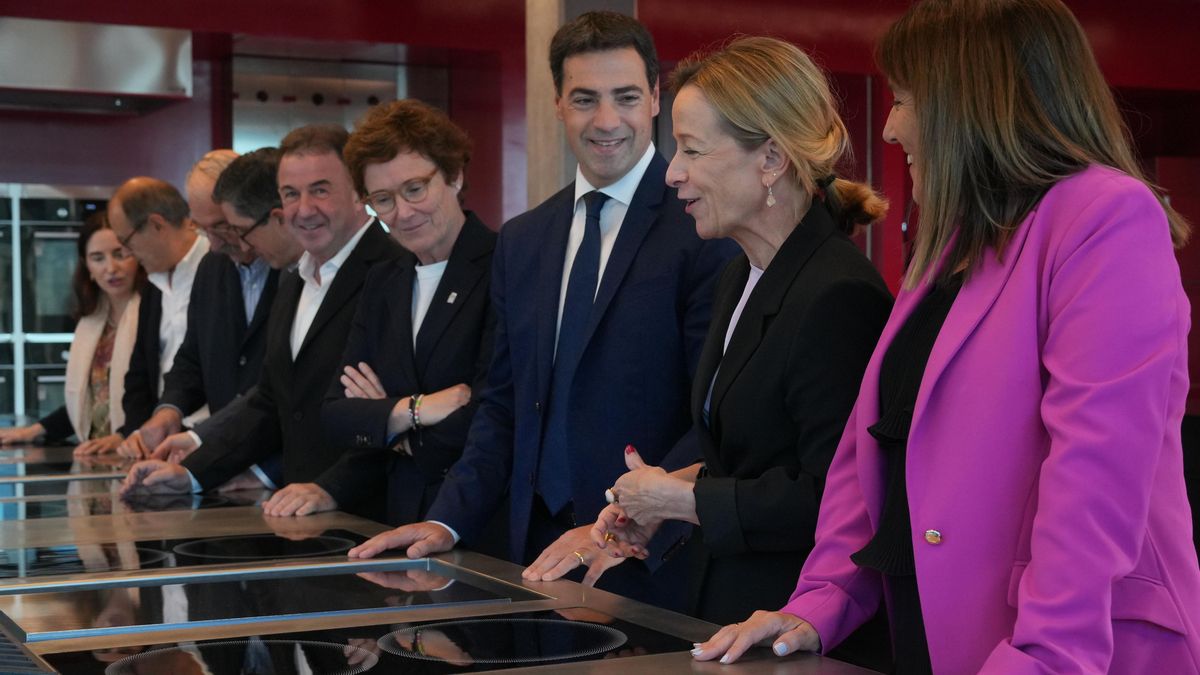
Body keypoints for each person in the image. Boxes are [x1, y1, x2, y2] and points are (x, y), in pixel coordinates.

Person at [693, 0, 1200, 672]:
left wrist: (1043, 654)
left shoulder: (1105, 215)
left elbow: (1095, 472)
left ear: (972, 103)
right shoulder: (956, 238)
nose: (891, 126)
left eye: (903, 99)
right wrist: (820, 599)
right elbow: (869, 448)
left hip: (1064, 646)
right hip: (931, 630)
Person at [348, 11, 736, 610]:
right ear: (557, 103)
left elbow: (711, 414)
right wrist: (447, 521)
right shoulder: (525, 239)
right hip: (526, 555)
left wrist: (622, 519)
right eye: (585, 99)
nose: (606, 121)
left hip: (647, 561)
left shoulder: (704, 228)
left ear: (656, 99)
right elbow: (504, 404)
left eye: (626, 97)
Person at [536, 36, 893, 635]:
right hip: (723, 606)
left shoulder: (837, 294)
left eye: (694, 151)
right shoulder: (738, 274)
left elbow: (835, 500)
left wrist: (680, 502)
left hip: (792, 620)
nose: (673, 172)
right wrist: (653, 500)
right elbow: (747, 455)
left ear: (771, 160)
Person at [119, 124, 403, 497]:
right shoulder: (294, 280)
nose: (304, 209)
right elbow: (270, 402)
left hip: (375, 521)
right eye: (291, 194)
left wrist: (327, 488)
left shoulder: (396, 270)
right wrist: (191, 474)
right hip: (304, 522)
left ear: (356, 191)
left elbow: (392, 416)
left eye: (320, 189)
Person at [260, 99, 496, 524]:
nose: (403, 213)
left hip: (477, 521)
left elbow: (485, 417)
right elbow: (335, 415)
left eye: (415, 189)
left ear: (454, 175)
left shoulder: (503, 264)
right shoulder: (385, 279)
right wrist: (417, 410)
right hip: (397, 519)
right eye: (383, 200)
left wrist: (385, 419)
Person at [118, 150, 280, 479]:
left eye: (224, 227)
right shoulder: (213, 266)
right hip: (225, 463)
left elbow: (280, 390)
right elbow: (192, 358)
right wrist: (168, 412)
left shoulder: (291, 268)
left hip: (279, 469)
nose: (217, 243)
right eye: (205, 230)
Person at [0, 213, 144, 453]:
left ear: (137, 256)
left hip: (139, 449)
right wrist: (34, 431)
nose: (111, 268)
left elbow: (159, 396)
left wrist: (124, 434)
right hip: (99, 453)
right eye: (97, 258)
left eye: (119, 254)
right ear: (87, 266)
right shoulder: (91, 321)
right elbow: (87, 402)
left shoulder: (154, 312)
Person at [107, 178, 210, 441]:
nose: (128, 254)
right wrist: (135, 433)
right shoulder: (152, 284)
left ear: (156, 224)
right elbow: (140, 371)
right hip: (164, 434)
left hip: (212, 435)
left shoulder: (217, 267)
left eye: (126, 242)